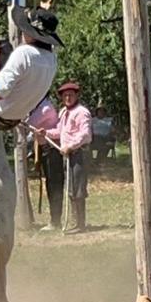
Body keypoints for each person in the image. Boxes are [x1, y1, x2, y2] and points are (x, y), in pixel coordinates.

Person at [50, 81, 92, 233]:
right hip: (67, 155)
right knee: (71, 188)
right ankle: (75, 221)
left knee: (78, 189)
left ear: (76, 96)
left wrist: (71, 146)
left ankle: (80, 224)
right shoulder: (63, 112)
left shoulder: (82, 112)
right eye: (65, 95)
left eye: (70, 95)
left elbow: (85, 134)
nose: (67, 98)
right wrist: (45, 133)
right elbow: (59, 132)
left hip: (79, 154)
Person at [29, 95, 63, 230]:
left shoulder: (45, 108)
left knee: (54, 186)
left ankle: (56, 221)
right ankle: (54, 219)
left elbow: (30, 123)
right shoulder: (38, 106)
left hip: (52, 150)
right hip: (45, 148)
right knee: (50, 184)